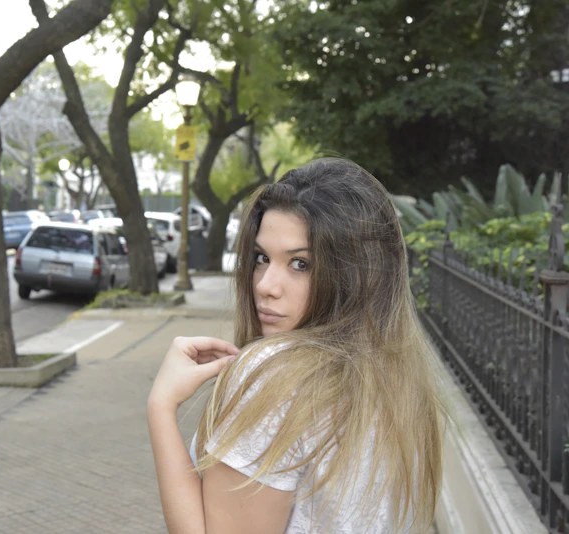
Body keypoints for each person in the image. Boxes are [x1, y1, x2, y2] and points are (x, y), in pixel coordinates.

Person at [148, 158, 448, 533]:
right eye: (261, 258)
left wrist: (161, 406)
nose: (265, 285)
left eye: (301, 264)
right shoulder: (401, 383)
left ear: (357, 275)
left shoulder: (276, 374)